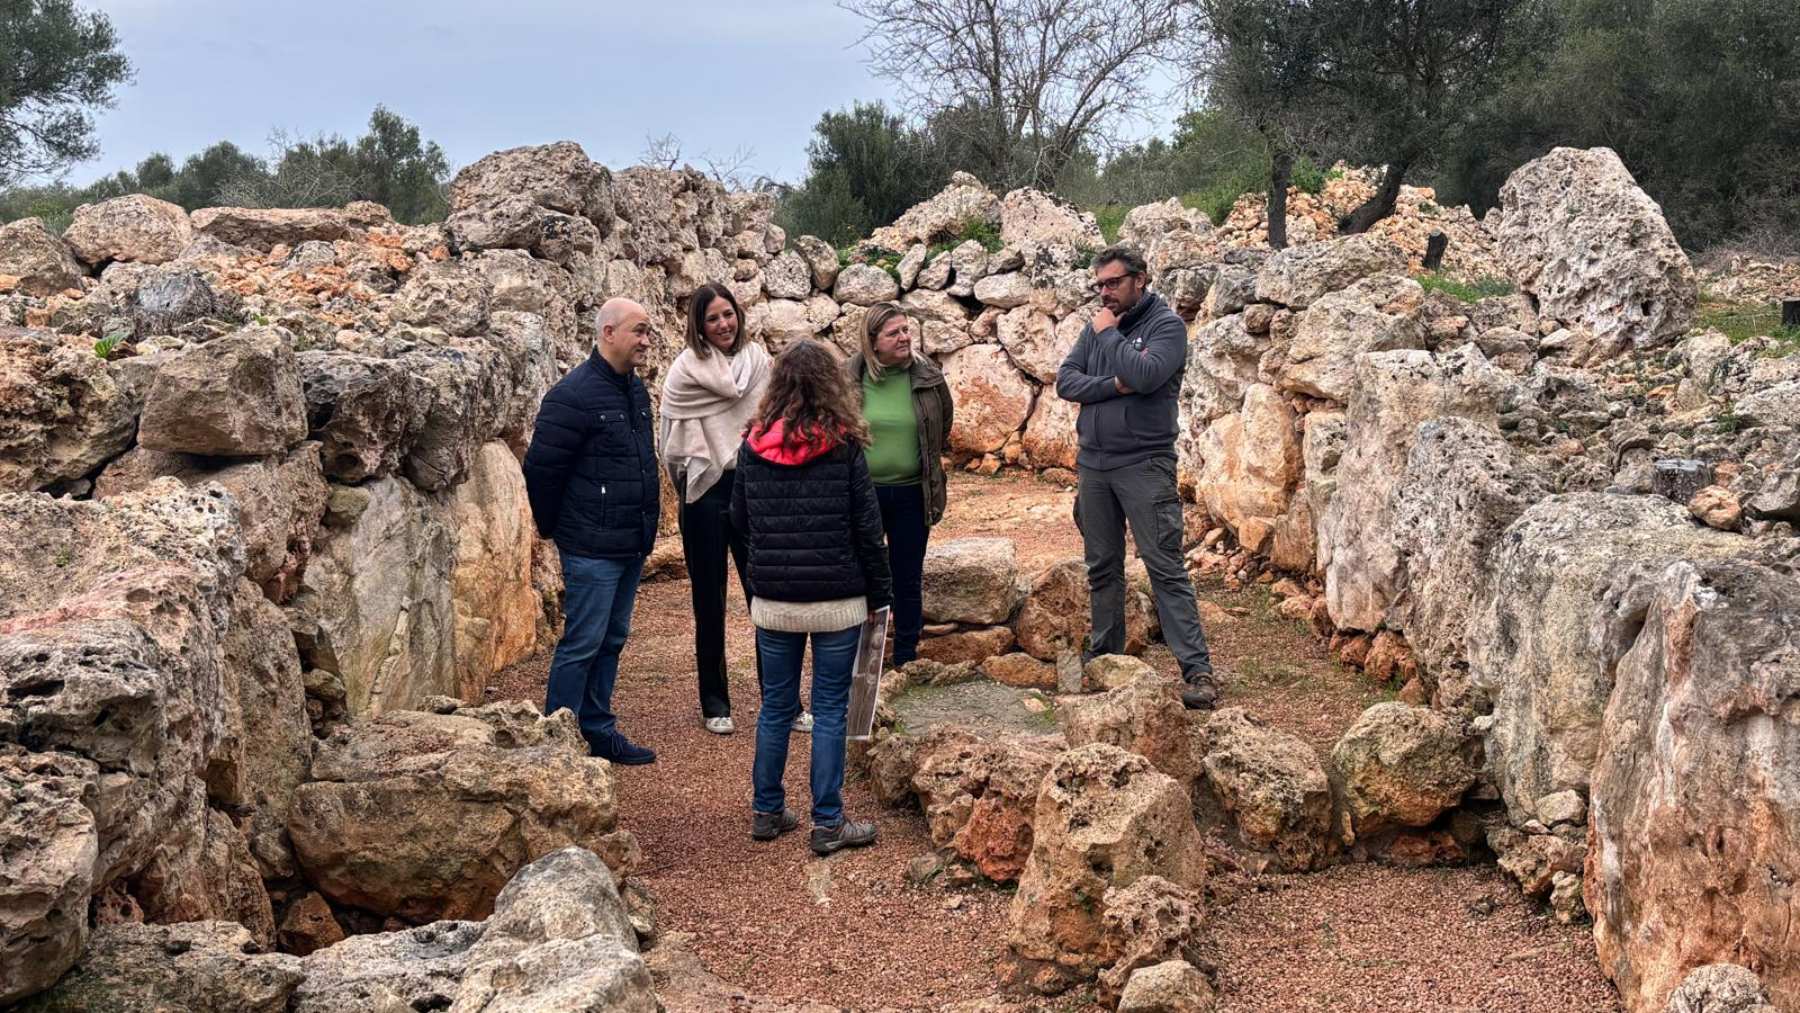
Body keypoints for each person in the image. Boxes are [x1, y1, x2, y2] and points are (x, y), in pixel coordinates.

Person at [731, 338, 893, 854]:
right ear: (833, 385)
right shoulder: (843, 446)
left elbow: (739, 521)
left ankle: (767, 810)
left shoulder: (751, 445)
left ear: (777, 386)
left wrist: (758, 580)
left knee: (775, 707)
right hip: (837, 598)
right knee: (829, 708)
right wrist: (881, 592)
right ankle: (828, 821)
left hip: (775, 599)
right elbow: (868, 528)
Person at [1054, 245, 1218, 710]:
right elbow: (1066, 381)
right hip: (1094, 464)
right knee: (1102, 566)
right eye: (1100, 285)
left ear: (1139, 279)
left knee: (1164, 566)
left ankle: (1197, 670)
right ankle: (1106, 658)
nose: (1105, 293)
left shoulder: (1165, 327)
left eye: (1113, 283)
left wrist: (1110, 342)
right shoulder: (1099, 325)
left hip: (1144, 464)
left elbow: (1145, 376)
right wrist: (1111, 385)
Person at [522, 297, 661, 764]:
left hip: (629, 542)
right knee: (582, 642)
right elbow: (541, 470)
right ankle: (557, 744)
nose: (646, 341)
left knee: (613, 638)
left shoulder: (634, 392)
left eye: (648, 333)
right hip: (591, 547)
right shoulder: (572, 395)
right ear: (608, 333)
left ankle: (598, 730)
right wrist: (556, 529)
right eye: (639, 331)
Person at [660, 283, 783, 736]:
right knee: (708, 602)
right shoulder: (683, 372)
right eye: (712, 319)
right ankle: (714, 702)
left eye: (727, 314)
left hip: (753, 488)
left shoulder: (758, 363)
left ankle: (782, 699)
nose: (723, 325)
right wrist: (690, 478)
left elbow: (773, 422)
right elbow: (669, 442)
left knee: (767, 598)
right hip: (704, 492)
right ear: (699, 325)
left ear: (738, 314)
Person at [846, 303, 953, 667]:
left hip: (913, 493)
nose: (905, 337)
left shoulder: (927, 375)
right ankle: (861, 660)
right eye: (894, 333)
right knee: (863, 575)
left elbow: (943, 424)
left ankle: (906, 656)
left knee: (907, 576)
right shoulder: (850, 377)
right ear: (873, 342)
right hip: (863, 495)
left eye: (906, 330)